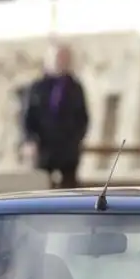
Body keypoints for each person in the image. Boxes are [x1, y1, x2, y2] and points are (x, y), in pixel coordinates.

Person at [22, 43, 89, 189]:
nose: (61, 62)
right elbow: (28, 117)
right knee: (41, 189)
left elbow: (82, 118)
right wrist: (30, 140)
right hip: (44, 148)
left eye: (65, 58)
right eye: (58, 58)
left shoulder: (75, 87)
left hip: (68, 150)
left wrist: (76, 139)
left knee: (69, 189)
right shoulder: (37, 87)